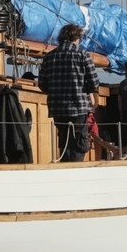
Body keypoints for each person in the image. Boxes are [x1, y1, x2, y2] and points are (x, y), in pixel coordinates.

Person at [37, 22, 97, 161]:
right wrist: (84, 90)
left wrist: (55, 91)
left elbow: (42, 84)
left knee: (64, 143)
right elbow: (94, 83)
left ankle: (65, 167)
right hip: (79, 107)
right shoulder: (83, 55)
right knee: (79, 144)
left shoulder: (48, 57)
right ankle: (75, 171)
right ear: (76, 38)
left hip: (58, 108)